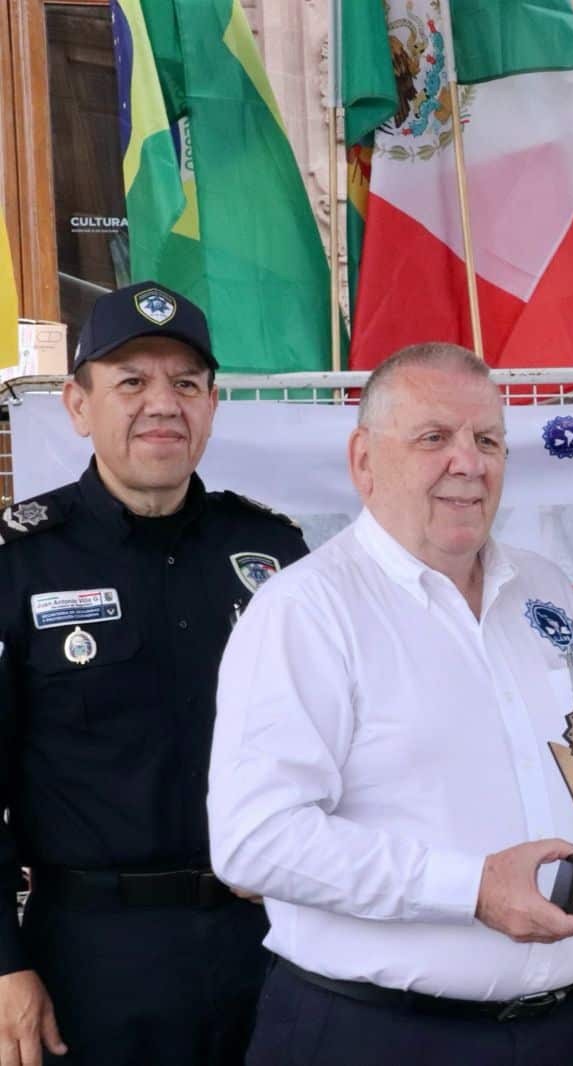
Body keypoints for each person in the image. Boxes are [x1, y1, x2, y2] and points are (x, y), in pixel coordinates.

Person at [208, 343, 573, 1065]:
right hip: (378, 1036)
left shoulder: (545, 591)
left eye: (488, 439)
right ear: (364, 461)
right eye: (434, 437)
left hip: (562, 1029)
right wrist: (470, 888)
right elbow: (254, 839)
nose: (469, 462)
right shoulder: (306, 611)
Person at [0, 282, 308, 1066]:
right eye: (131, 381)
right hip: (92, 960)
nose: (161, 403)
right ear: (77, 405)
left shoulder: (276, 556)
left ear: (212, 404)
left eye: (186, 383)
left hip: (274, 944)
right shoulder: (22, 563)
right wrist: (5, 962)